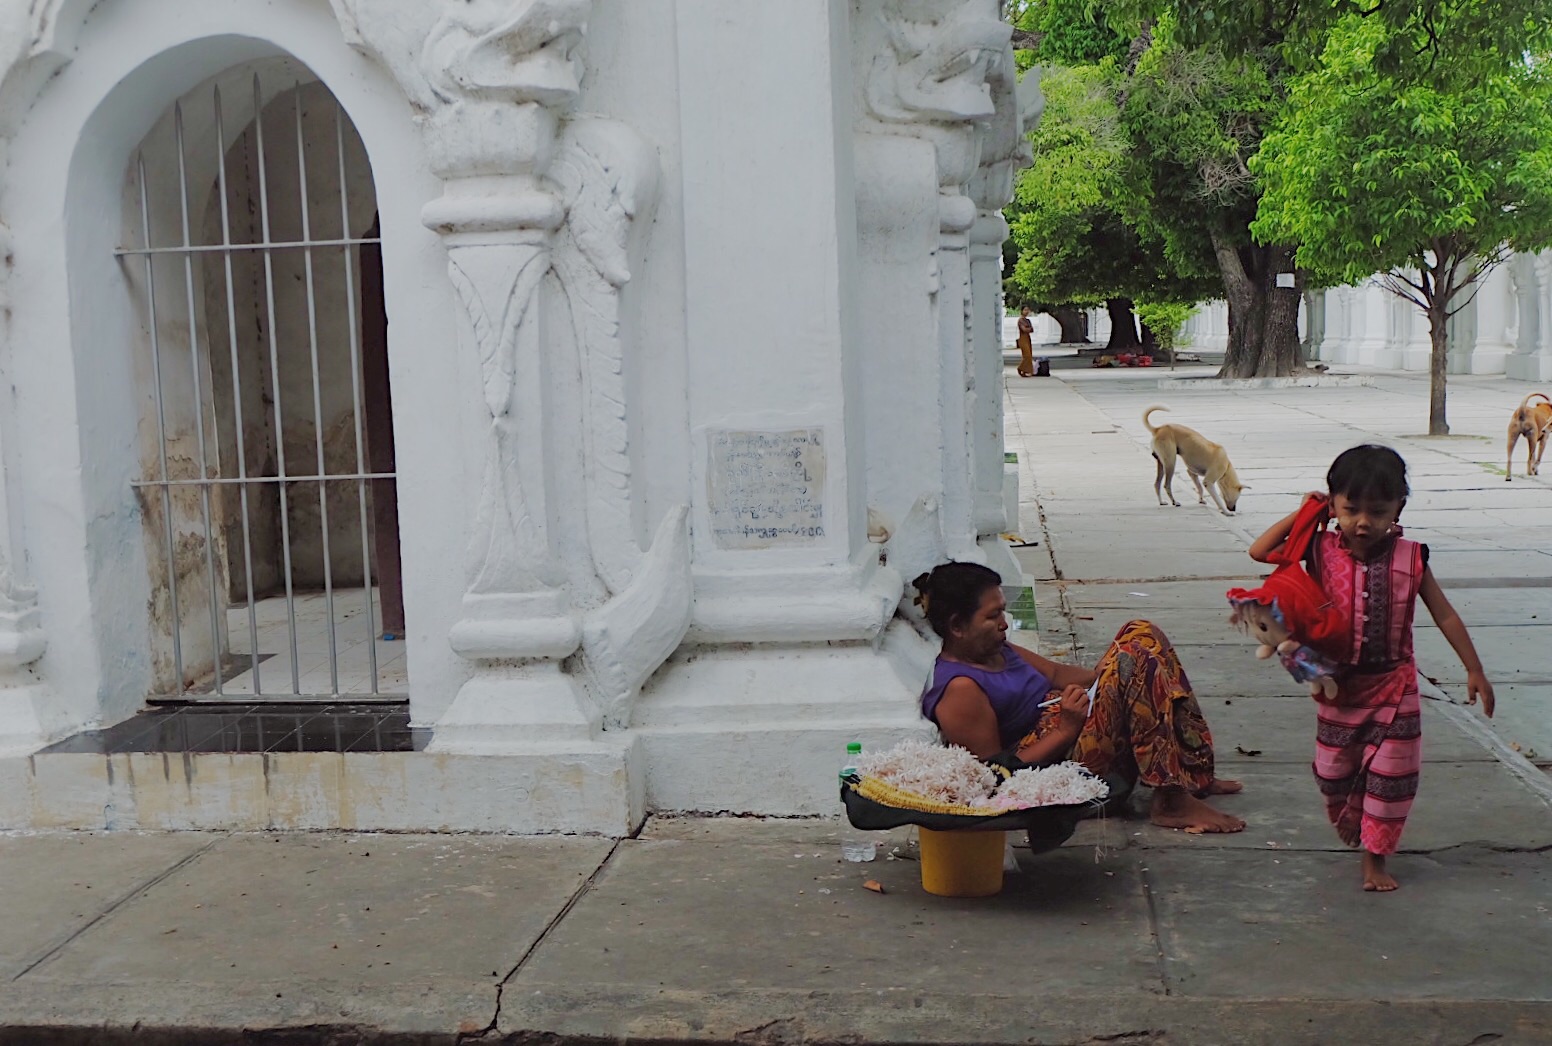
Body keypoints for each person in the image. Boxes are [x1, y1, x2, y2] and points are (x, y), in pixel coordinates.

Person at [1248, 444, 1495, 892]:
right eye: (1350, 508)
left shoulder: (1412, 557)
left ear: (1399, 507)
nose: (1363, 522)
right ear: (1333, 503)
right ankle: (1355, 824)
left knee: (1392, 780)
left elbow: (1445, 614)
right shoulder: (1319, 548)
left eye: (1378, 511)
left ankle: (1375, 858)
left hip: (1396, 687)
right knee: (1333, 773)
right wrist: (1306, 514)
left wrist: (1473, 668)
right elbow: (1260, 552)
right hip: (1338, 690)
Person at [913, 562, 1245, 834]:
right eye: (992, 616)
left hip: (1073, 722)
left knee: (1141, 633)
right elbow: (994, 774)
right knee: (1134, 658)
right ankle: (1170, 799)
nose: (1004, 624)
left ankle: (1191, 772)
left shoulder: (996, 648)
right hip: (1064, 764)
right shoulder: (960, 689)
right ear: (957, 626)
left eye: (1003, 612)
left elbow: (1057, 675)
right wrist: (1065, 730)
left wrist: (1112, 672)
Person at [1015, 306, 1036, 377]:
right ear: (1021, 311)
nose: (1026, 311)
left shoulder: (1028, 320)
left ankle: (1025, 371)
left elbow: (1032, 330)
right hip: (1022, 339)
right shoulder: (1020, 320)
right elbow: (1024, 330)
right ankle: (1020, 368)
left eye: (1028, 310)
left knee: (1029, 355)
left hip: (1028, 338)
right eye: (1025, 310)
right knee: (1027, 356)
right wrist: (1028, 329)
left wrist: (1028, 329)